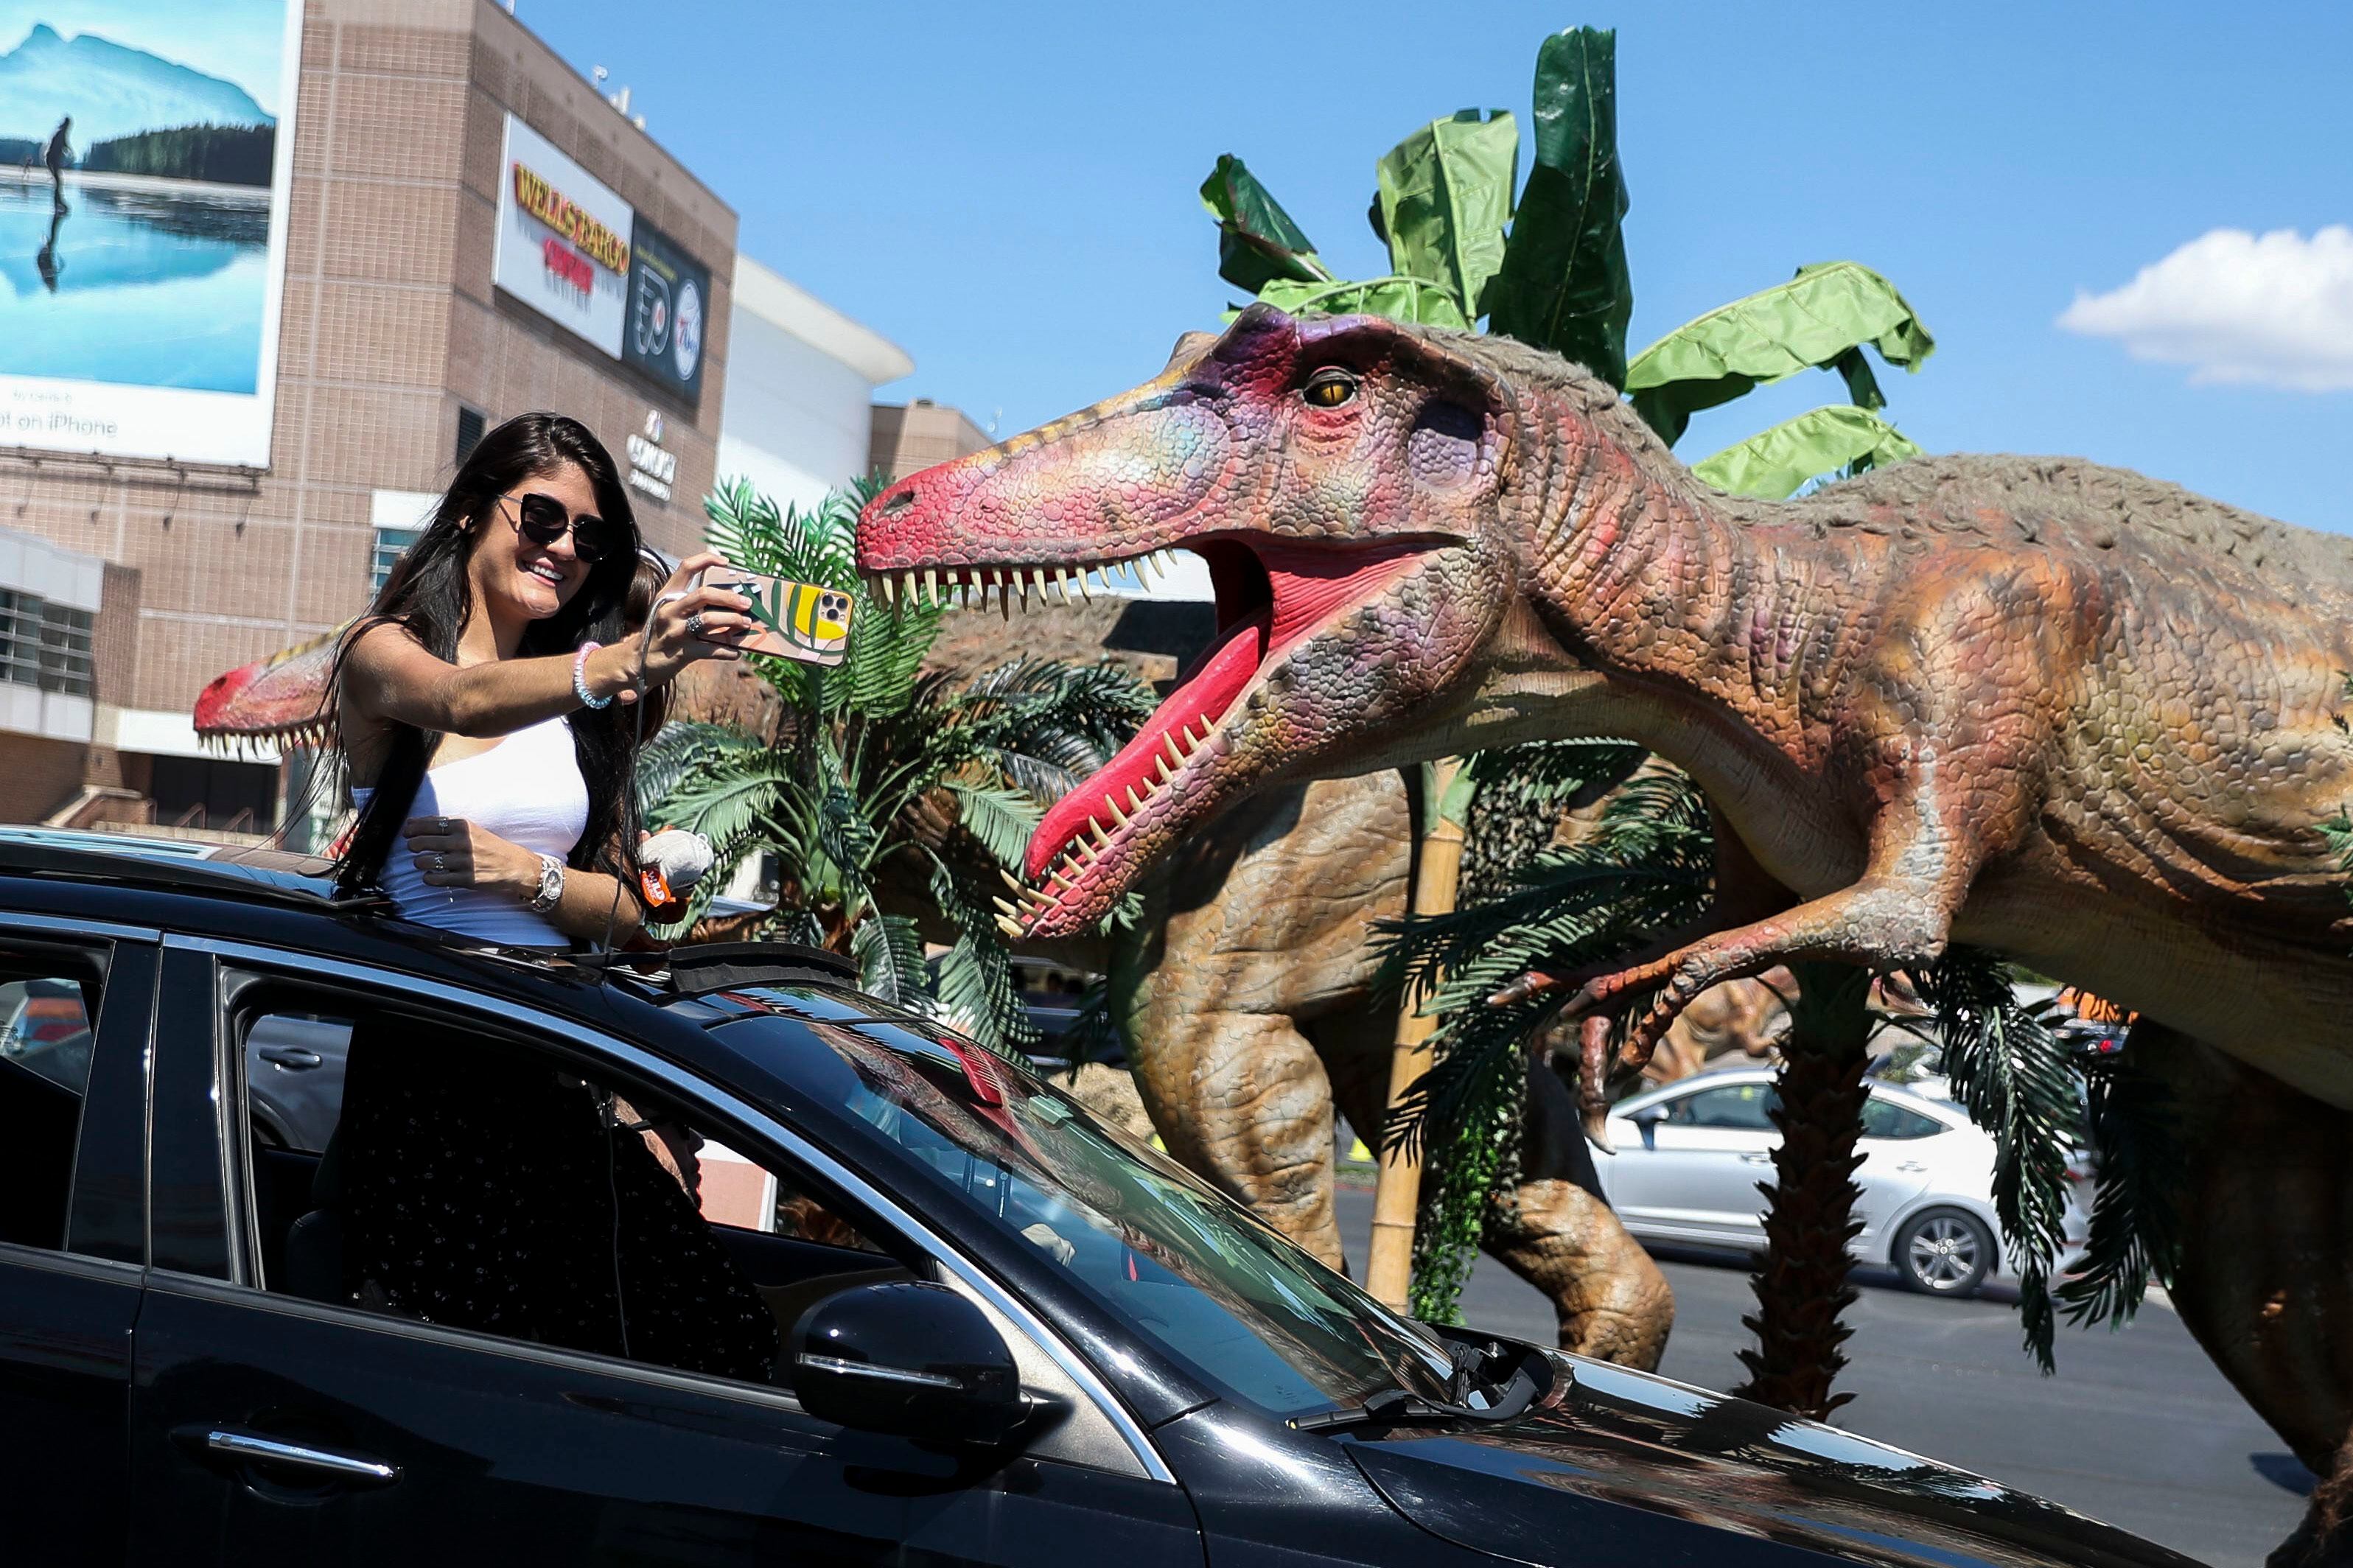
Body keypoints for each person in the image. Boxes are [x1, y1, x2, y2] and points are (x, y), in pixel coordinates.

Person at [320, 411, 780, 1382]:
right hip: (431, 1068)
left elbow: (635, 915)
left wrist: (526, 878)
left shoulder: (581, 712)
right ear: (471, 516)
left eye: (590, 536)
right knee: (456, 1369)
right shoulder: (385, 654)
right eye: (540, 519)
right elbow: (458, 701)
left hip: (555, 1057)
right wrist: (618, 665)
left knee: (714, 1331)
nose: (564, 549)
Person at [41, 117, 69, 207]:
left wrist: (69, 151)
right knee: (58, 181)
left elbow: (65, 145)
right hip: (52, 158)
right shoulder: (61, 133)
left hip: (52, 158)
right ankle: (58, 203)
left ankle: (58, 203)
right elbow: (62, 145)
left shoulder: (61, 133)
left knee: (58, 182)